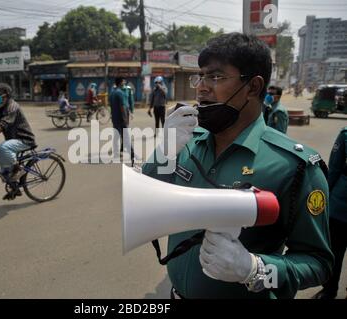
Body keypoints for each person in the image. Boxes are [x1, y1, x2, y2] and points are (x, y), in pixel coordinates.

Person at [142, 32, 333, 299]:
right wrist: (163, 153)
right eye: (201, 76)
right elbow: (149, 197)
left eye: (216, 77)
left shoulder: (295, 166)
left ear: (253, 87)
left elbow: (318, 263)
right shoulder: (186, 143)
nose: (201, 87)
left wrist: (255, 270)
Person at [312, 126, 347, 299]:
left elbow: (334, 169)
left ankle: (329, 291)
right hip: (341, 208)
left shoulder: (346, 135)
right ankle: (329, 289)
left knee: (335, 251)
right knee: (335, 251)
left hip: (340, 206)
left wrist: (326, 199)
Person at [110, 77, 133, 162]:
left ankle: (117, 153)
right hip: (121, 119)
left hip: (115, 118)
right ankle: (133, 155)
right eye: (123, 81)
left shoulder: (112, 92)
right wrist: (125, 119)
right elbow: (122, 107)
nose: (124, 82)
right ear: (120, 83)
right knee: (126, 137)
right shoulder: (120, 93)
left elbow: (111, 106)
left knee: (116, 136)